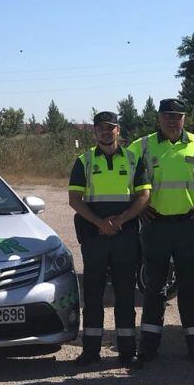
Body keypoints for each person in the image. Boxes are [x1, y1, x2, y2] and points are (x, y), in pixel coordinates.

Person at [126, 98, 194, 366]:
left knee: (191, 288)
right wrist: (137, 206)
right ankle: (149, 348)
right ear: (159, 118)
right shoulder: (141, 146)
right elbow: (122, 176)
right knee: (154, 288)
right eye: (167, 115)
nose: (172, 120)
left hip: (189, 227)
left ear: (184, 118)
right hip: (155, 227)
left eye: (177, 115)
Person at [67, 111, 151, 369]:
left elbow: (144, 196)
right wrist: (99, 223)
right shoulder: (85, 161)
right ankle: (91, 351)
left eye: (110, 127)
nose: (106, 131)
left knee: (125, 294)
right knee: (93, 294)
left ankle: (127, 351)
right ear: (94, 131)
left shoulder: (134, 159)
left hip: (124, 236)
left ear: (118, 131)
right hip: (95, 237)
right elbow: (74, 200)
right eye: (101, 128)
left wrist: (121, 220)